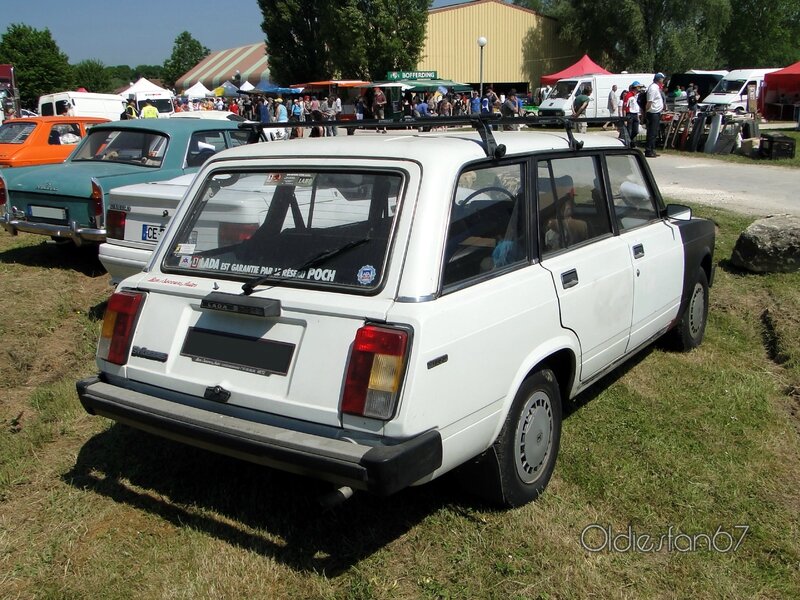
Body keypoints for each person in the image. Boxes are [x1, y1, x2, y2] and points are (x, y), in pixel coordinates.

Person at [644, 72, 666, 157]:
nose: (663, 80)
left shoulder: (656, 87)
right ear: (659, 79)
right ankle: (649, 150)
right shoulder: (653, 88)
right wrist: (646, 112)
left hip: (656, 112)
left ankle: (652, 149)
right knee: (651, 133)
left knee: (654, 133)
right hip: (652, 113)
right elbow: (650, 101)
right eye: (662, 78)